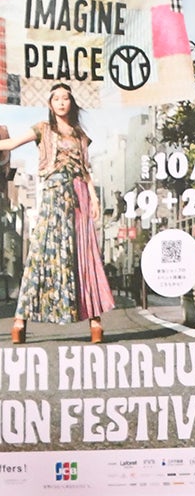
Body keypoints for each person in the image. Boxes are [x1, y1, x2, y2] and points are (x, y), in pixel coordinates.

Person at [0, 85, 114, 345]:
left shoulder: (80, 135)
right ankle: (20, 321)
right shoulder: (43, 128)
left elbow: (85, 170)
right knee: (41, 253)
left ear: (72, 103)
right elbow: (12, 143)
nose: (61, 102)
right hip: (53, 195)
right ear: (50, 104)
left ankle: (95, 323)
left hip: (80, 196)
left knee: (85, 254)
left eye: (66, 98)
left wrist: (94, 198)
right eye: (56, 99)